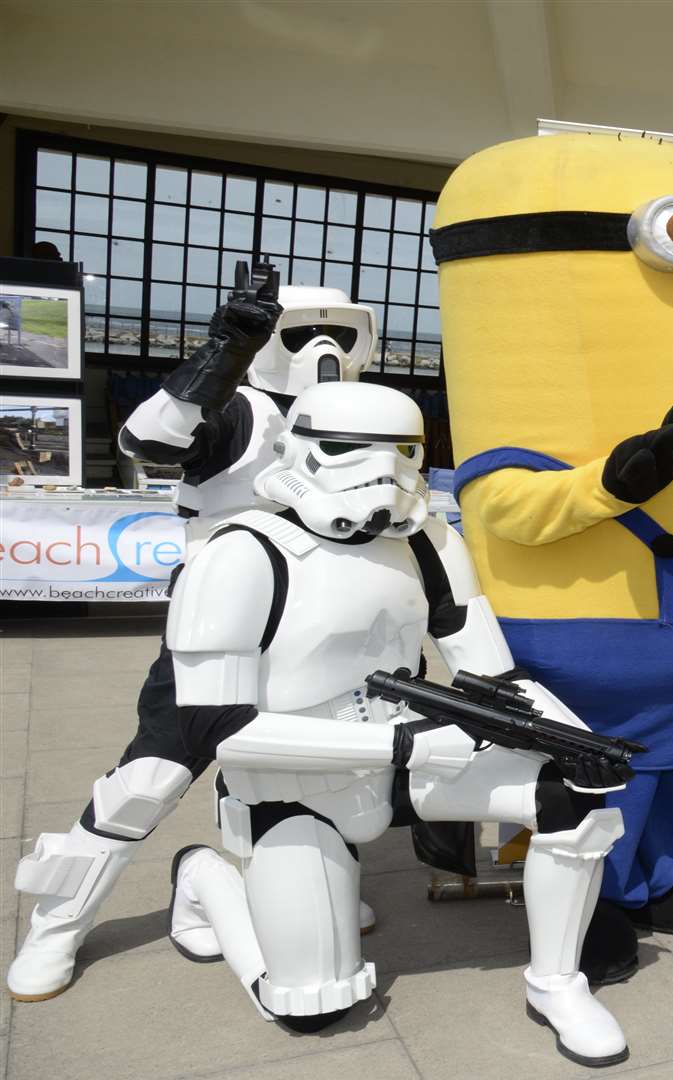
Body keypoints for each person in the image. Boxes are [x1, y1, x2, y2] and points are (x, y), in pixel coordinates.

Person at [162, 382, 630, 1065]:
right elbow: (218, 731)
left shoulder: (430, 542)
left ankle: (557, 982)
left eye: (402, 452)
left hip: (410, 759)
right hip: (295, 781)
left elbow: (493, 676)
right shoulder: (237, 556)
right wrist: (401, 743)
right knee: (311, 1008)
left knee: (572, 795)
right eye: (353, 450)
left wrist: (569, 738)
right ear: (298, 450)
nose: (384, 475)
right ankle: (204, 876)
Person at [7, 275, 390, 1003]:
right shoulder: (236, 406)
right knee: (148, 778)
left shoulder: (364, 414)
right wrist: (222, 356)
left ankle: (298, 886)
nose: (322, 349)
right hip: (221, 622)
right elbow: (147, 440)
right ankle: (58, 922)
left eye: (341, 335)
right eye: (306, 331)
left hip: (326, 626)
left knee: (322, 770)